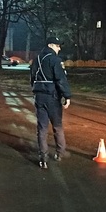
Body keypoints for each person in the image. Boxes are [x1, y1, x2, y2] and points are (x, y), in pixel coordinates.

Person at [30, 36, 72, 169]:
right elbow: (61, 79)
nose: (59, 48)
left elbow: (32, 78)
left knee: (42, 128)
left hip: (39, 96)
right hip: (52, 97)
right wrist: (67, 96)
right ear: (50, 45)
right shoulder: (55, 60)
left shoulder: (36, 59)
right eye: (57, 46)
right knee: (57, 126)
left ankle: (43, 158)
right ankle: (60, 152)